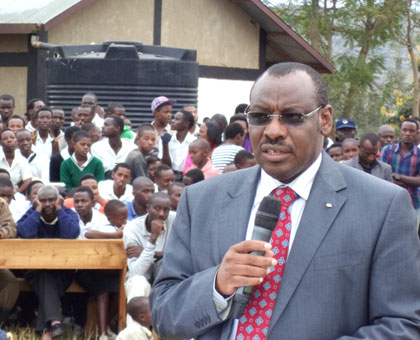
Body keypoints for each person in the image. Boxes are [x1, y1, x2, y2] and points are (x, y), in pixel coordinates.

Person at [150, 62, 420, 340]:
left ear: (325, 120)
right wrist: (217, 285)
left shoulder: (383, 206)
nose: (273, 131)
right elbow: (164, 314)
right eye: (260, 116)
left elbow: (402, 326)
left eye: (292, 117)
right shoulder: (201, 200)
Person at [17, 185, 79, 339]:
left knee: (47, 279)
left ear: (58, 200)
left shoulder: (67, 213)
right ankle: (55, 323)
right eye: (43, 200)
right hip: (35, 269)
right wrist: (36, 211)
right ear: (37, 201)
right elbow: (25, 234)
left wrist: (60, 209)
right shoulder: (32, 213)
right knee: (45, 276)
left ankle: (47, 328)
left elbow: (71, 234)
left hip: (63, 270)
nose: (47, 204)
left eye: (51, 200)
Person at [73, 187, 121, 340]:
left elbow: (106, 241)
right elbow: (89, 235)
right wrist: (116, 234)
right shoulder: (71, 218)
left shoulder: (101, 219)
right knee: (103, 289)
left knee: (118, 287)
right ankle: (102, 334)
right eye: (77, 201)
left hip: (100, 266)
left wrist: (114, 235)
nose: (79, 205)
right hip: (77, 268)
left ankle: (104, 327)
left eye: (84, 201)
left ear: (93, 203)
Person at [123, 192, 175, 300]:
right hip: (142, 276)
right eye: (157, 208)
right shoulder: (132, 228)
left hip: (167, 276)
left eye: (166, 210)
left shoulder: (175, 220)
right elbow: (136, 272)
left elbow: (182, 254)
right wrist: (153, 238)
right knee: (138, 283)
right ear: (147, 208)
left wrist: (147, 252)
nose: (161, 214)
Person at [380, 118, 420, 220]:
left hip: (413, 203)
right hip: (388, 202)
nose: (407, 133)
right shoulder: (387, 150)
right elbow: (381, 177)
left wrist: (397, 176)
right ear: (400, 131)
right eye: (405, 130)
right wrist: (410, 180)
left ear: (416, 133)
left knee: (412, 235)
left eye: (411, 131)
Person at [0, 196, 19, 325]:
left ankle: (0, 324)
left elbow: (12, 227)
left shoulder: (0, 203)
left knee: (11, 283)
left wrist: (2, 233)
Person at [0, 129, 32, 193]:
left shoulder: (22, 160)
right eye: (5, 139)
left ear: (16, 141)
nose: (9, 140)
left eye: (12, 138)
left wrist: (17, 191)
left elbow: (28, 180)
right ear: (0, 142)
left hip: (14, 193)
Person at [168, 109, 196, 180]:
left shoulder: (194, 141)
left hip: (188, 177)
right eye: (174, 118)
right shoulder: (168, 140)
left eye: (177, 119)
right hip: (170, 176)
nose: (173, 121)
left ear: (186, 123)